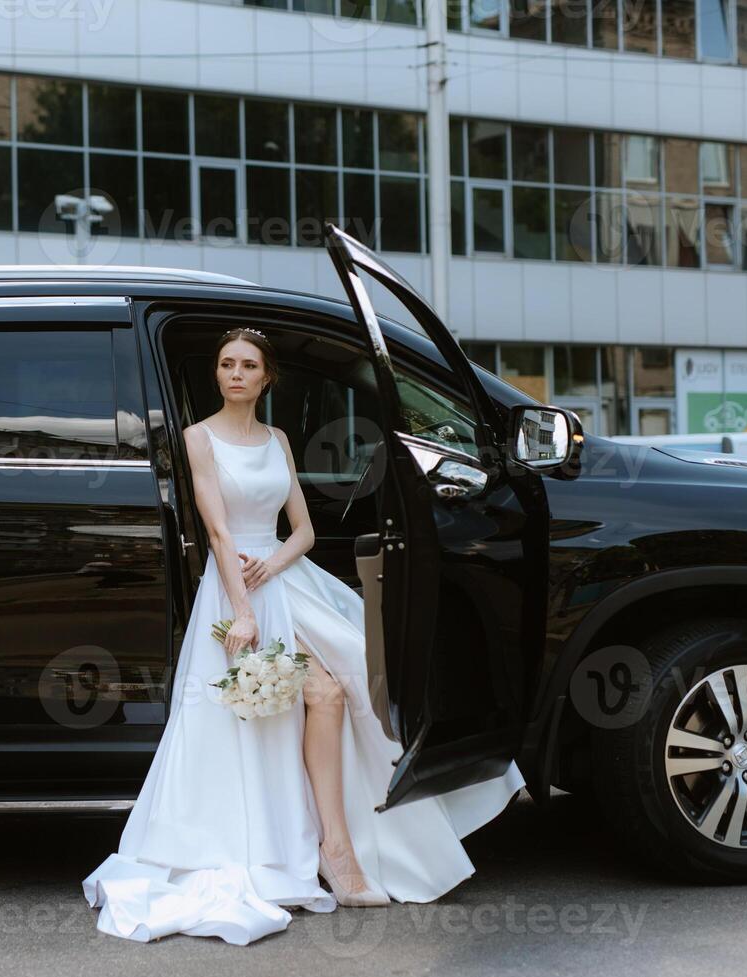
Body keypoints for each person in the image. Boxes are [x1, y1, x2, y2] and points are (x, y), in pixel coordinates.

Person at [81, 327, 525, 945]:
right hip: (235, 586)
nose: (235, 374)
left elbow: (305, 531)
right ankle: (326, 852)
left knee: (357, 679)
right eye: (226, 364)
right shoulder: (197, 438)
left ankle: (347, 842)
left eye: (248, 366)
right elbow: (217, 532)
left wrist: (277, 566)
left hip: (287, 578)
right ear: (218, 375)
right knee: (300, 702)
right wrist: (242, 609)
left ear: (266, 379)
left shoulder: (279, 439)